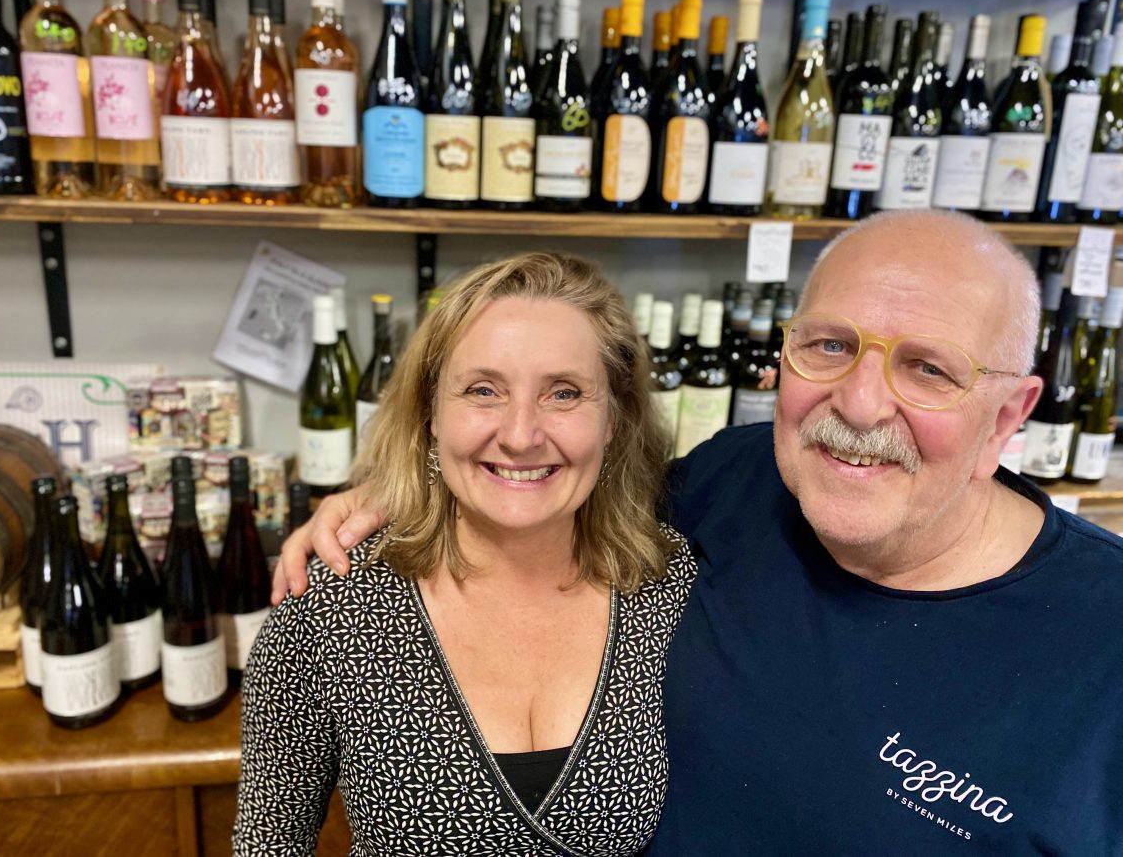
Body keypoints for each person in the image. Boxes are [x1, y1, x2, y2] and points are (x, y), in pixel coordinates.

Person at [275, 210, 1123, 854]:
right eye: (829, 346)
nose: (861, 405)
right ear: (783, 359)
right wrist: (390, 493)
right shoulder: (731, 486)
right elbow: (538, 483)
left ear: (1009, 414)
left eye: (929, 369)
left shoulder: (1104, 643)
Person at [233, 253, 696, 855]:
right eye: (483, 390)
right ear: (430, 412)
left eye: (564, 393)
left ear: (613, 418)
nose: (521, 434)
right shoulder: (330, 608)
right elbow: (268, 846)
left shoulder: (670, 585)